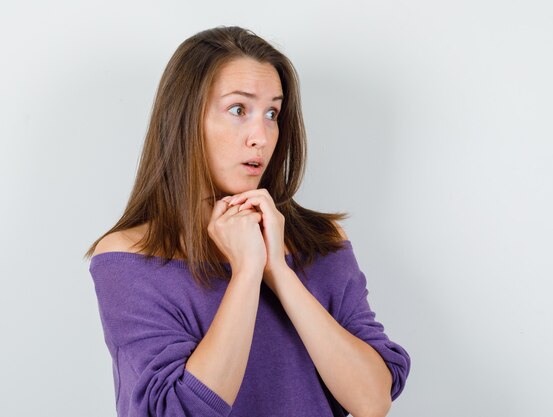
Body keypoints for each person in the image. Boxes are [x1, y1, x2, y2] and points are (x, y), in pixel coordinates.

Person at [85, 26, 410, 417]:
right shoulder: (129, 259)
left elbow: (372, 401)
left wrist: (278, 272)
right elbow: (178, 411)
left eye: (272, 113)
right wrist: (246, 273)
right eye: (239, 110)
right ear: (186, 120)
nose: (262, 136)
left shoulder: (321, 243)